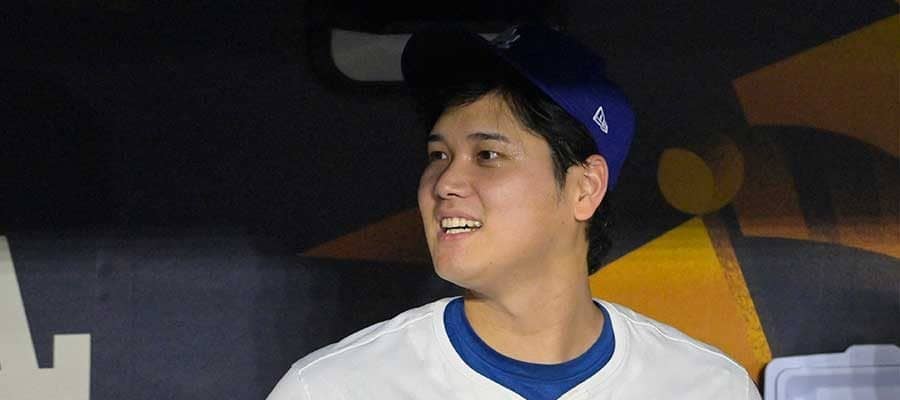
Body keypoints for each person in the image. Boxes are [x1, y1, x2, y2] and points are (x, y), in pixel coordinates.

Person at [267, 24, 761, 399]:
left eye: (487, 155)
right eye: (438, 155)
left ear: (585, 187)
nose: (445, 182)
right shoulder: (329, 390)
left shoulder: (709, 388)